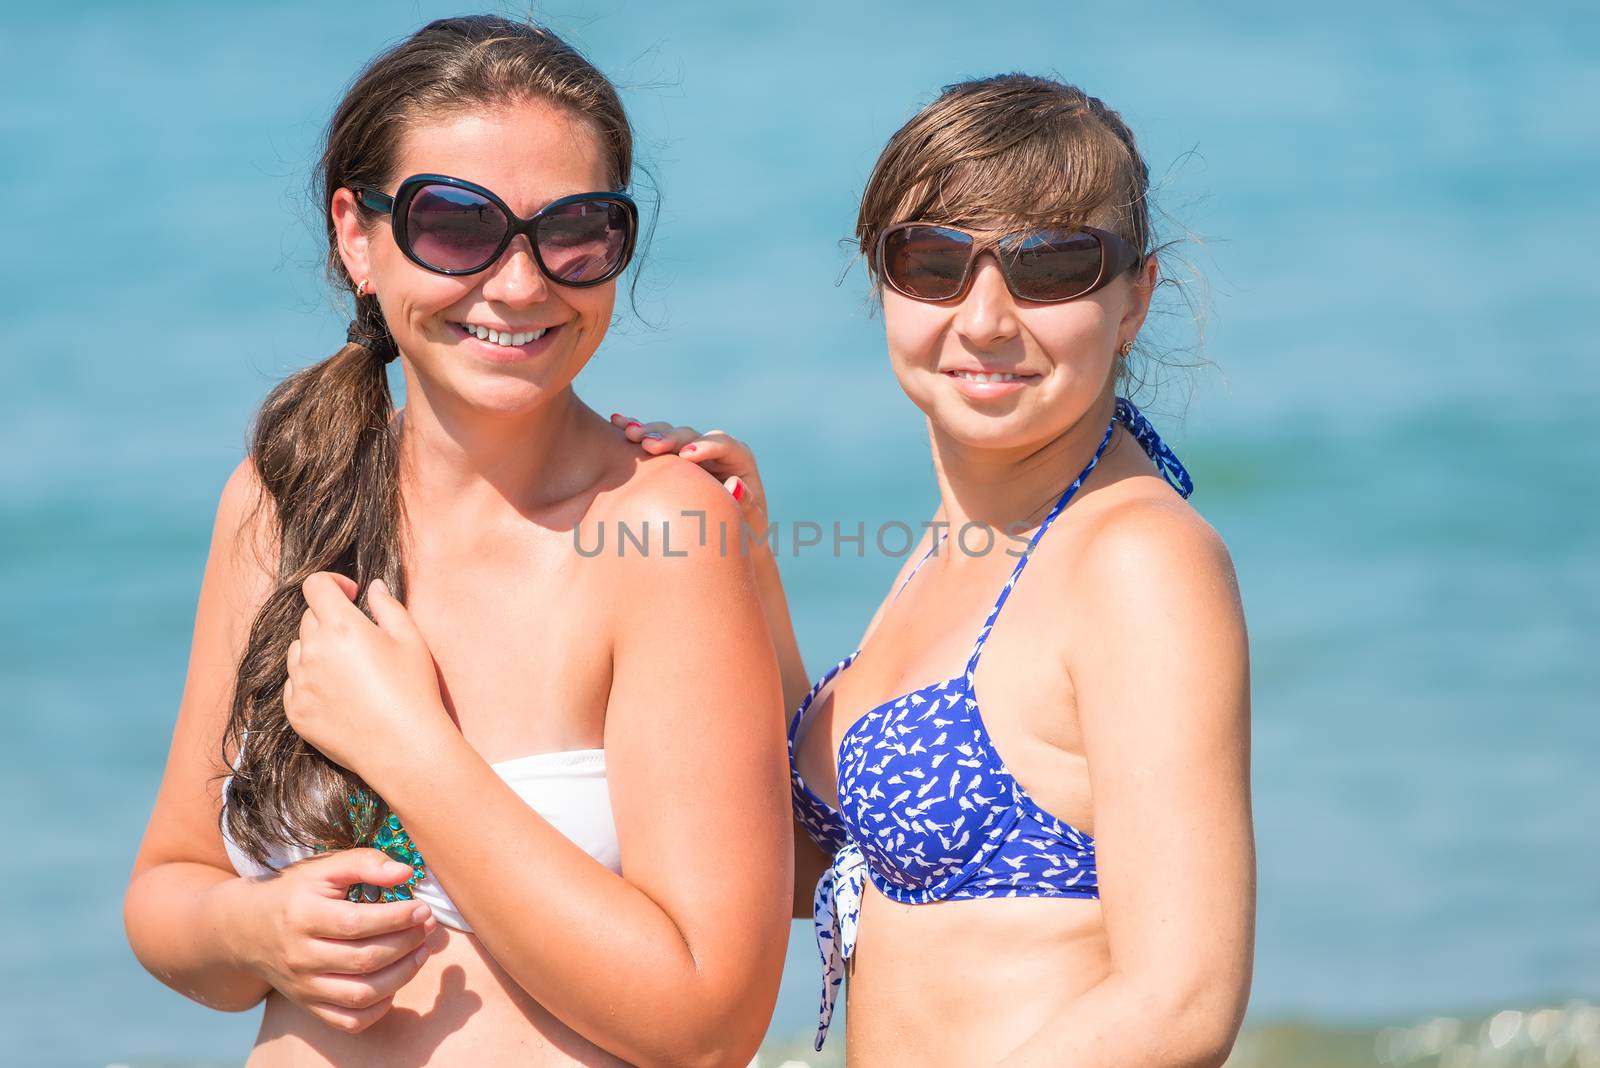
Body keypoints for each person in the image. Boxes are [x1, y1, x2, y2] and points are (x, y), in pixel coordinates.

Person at [123, 15, 791, 1067]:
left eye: (576, 231)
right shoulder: (279, 502)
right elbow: (168, 888)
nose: (521, 284)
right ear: (357, 236)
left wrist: (412, 754)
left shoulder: (664, 530)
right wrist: (251, 932)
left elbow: (710, 1024)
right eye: (455, 227)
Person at [617, 74, 1255, 1065]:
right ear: (882, 280)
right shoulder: (967, 543)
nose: (987, 317)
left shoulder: (1137, 560)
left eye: (1051, 267)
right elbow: (811, 870)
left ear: (1135, 297)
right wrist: (747, 569)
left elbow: (1179, 1004)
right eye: (933, 262)